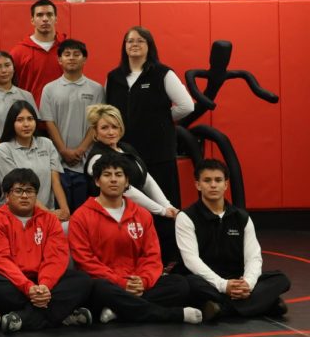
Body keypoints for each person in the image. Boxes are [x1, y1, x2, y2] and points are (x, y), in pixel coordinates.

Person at [69, 153, 209, 325]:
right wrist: (121, 283)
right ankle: (172, 314)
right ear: (97, 181)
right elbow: (85, 261)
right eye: (107, 175)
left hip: (138, 284)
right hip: (108, 285)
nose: (113, 180)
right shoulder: (81, 216)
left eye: (119, 175)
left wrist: (143, 281)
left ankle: (119, 310)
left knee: (180, 284)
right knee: (98, 288)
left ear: (127, 182)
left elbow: (152, 255)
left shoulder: (142, 215)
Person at [0, 168, 94, 333]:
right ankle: (61, 315)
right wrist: (28, 287)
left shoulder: (49, 220)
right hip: (12, 281)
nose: (25, 196)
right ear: (6, 196)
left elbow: (56, 258)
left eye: (30, 191)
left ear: (36, 195)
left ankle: (22, 319)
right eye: (18, 191)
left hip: (44, 280)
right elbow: (1, 261)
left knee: (82, 280)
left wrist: (44, 286)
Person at [177, 159, 291, 318]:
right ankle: (264, 304)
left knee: (280, 279)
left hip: (236, 279)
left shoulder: (241, 217)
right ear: (198, 185)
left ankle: (222, 309)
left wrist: (248, 284)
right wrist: (223, 285)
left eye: (218, 180)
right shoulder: (186, 217)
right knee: (187, 284)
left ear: (226, 184)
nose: (213, 185)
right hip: (206, 281)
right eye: (207, 180)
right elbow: (191, 260)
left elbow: (254, 257)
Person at [104, 25, 195, 207]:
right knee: (130, 199)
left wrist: (160, 119)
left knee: (163, 198)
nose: (134, 44)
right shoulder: (114, 77)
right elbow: (108, 111)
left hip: (158, 151)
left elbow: (187, 106)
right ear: (124, 46)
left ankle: (166, 235)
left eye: (140, 40)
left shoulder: (163, 73)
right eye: (130, 41)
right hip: (125, 150)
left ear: (149, 45)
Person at [84, 105, 178, 258]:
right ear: (95, 132)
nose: (111, 132)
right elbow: (126, 190)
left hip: (141, 212)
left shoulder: (126, 148)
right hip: (115, 219)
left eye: (115, 126)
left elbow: (146, 178)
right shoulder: (97, 158)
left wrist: (167, 205)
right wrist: (161, 211)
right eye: (104, 127)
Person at [39, 39, 104, 212]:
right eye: (67, 54)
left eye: (77, 54)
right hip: (58, 163)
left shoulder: (96, 89)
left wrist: (81, 149)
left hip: (87, 161)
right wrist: (63, 150)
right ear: (59, 60)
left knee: (85, 213)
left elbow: (96, 123)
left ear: (85, 59)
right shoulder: (49, 89)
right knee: (63, 212)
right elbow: (49, 122)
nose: (71, 58)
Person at [0, 101, 68, 221]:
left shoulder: (46, 144)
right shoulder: (3, 150)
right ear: (12, 123)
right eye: (20, 120)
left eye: (30, 119)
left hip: (47, 215)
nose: (26, 124)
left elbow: (55, 181)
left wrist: (65, 211)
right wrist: (49, 214)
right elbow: (19, 187)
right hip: (15, 217)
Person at [9, 0, 65, 104]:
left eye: (49, 14)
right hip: (31, 116)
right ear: (32, 20)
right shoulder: (18, 52)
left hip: (63, 113)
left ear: (56, 19)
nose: (45, 19)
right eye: (39, 15)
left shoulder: (67, 49)